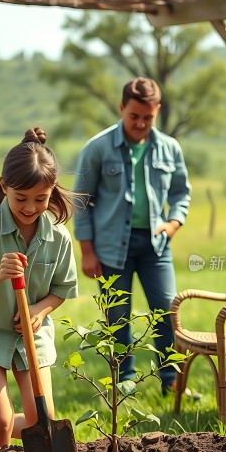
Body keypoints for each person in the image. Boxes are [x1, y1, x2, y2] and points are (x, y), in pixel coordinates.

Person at [0, 127, 78, 452]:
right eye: (20, 198)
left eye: (41, 199)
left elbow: (61, 290)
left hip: (30, 336)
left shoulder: (59, 238)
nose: (30, 207)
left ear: (52, 191)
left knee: (42, 420)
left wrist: (40, 310)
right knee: (1, 422)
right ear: (4, 186)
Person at [73, 77, 191, 395]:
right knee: (118, 317)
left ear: (157, 112)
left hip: (156, 246)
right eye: (134, 116)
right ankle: (124, 382)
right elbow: (80, 200)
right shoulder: (97, 148)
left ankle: (172, 381)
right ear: (121, 108)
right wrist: (87, 250)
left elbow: (181, 193)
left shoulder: (170, 148)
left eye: (147, 118)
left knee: (166, 310)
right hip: (111, 249)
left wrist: (174, 223)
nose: (140, 124)